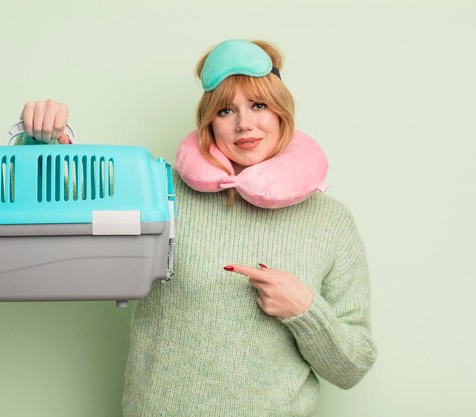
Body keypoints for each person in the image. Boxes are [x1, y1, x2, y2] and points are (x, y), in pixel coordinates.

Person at [21, 39, 377, 417]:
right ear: (210, 122)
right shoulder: (159, 191)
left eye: (259, 105)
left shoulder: (332, 221)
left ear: (281, 113)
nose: (244, 124)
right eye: (226, 110)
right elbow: (61, 202)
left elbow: (352, 366)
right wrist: (43, 143)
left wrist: (304, 309)